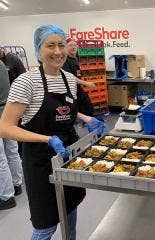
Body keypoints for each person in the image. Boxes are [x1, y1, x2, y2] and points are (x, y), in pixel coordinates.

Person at [0, 24, 106, 239]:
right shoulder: (27, 81)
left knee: (71, 211)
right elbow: (5, 127)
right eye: (50, 46)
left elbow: (66, 109)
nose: (57, 52)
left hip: (69, 155)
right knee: (45, 225)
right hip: (40, 161)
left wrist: (87, 118)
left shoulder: (67, 78)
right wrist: (46, 139)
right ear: (38, 49)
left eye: (61, 45)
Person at [0, 60, 23, 210]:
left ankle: (6, 197)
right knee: (11, 151)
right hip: (6, 111)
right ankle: (16, 184)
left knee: (1, 157)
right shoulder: (1, 64)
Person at [62, 38, 95, 116]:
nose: (73, 47)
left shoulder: (75, 58)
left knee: (87, 106)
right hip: (69, 90)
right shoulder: (65, 60)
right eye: (70, 45)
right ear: (65, 47)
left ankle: (89, 122)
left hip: (77, 88)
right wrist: (86, 83)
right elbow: (70, 77)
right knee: (74, 109)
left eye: (75, 45)